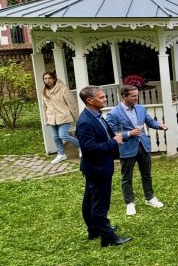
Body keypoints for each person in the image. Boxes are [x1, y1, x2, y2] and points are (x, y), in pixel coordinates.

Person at [76, 85, 131, 247]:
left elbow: (108, 136)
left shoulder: (96, 116)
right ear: (89, 100)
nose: (105, 99)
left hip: (96, 166)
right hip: (97, 167)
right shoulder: (85, 122)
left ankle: (94, 229)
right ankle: (108, 237)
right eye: (101, 97)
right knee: (100, 203)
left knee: (90, 198)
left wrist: (123, 136)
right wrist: (112, 142)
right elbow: (89, 148)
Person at [105, 85, 168, 216]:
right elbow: (110, 134)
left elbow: (150, 121)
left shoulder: (140, 108)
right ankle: (129, 203)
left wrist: (160, 126)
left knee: (147, 174)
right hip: (127, 148)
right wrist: (129, 134)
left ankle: (149, 198)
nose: (136, 98)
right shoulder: (114, 113)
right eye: (133, 96)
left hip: (143, 146)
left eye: (137, 95)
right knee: (127, 178)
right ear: (124, 96)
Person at [41, 71, 80, 163]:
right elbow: (44, 106)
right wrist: (45, 119)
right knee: (56, 137)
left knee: (63, 135)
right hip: (51, 118)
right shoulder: (44, 91)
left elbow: (72, 104)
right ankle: (61, 154)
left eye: (49, 78)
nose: (47, 80)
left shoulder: (63, 89)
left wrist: (76, 118)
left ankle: (80, 146)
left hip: (64, 117)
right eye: (45, 78)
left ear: (54, 79)